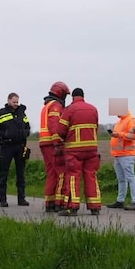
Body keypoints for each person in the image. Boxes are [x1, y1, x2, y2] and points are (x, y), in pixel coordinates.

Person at [56, 87, 102, 215]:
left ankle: (72, 207)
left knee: (73, 177)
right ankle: (95, 207)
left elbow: (60, 130)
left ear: (73, 97)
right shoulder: (93, 109)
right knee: (91, 176)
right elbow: (96, 127)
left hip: (74, 150)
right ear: (83, 96)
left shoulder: (70, 109)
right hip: (92, 149)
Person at [0, 92, 31, 207]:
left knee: (21, 174)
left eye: (17, 102)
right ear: (8, 101)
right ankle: (3, 200)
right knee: (4, 174)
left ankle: (21, 199)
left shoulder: (22, 113)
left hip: (20, 146)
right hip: (6, 147)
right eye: (14, 102)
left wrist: (25, 133)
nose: (16, 104)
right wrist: (5, 134)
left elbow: (28, 127)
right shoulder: (0, 113)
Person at [37, 81, 69, 213]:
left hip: (44, 143)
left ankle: (49, 202)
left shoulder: (47, 105)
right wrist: (58, 143)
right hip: (52, 143)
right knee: (61, 172)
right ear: (60, 94)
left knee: (51, 173)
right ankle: (59, 202)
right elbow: (54, 125)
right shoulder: (56, 105)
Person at [107, 106, 135, 210]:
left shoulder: (131, 120)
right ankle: (120, 201)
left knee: (130, 177)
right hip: (118, 154)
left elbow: (134, 136)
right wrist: (115, 135)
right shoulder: (120, 122)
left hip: (127, 154)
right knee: (121, 179)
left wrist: (118, 134)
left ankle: (134, 202)